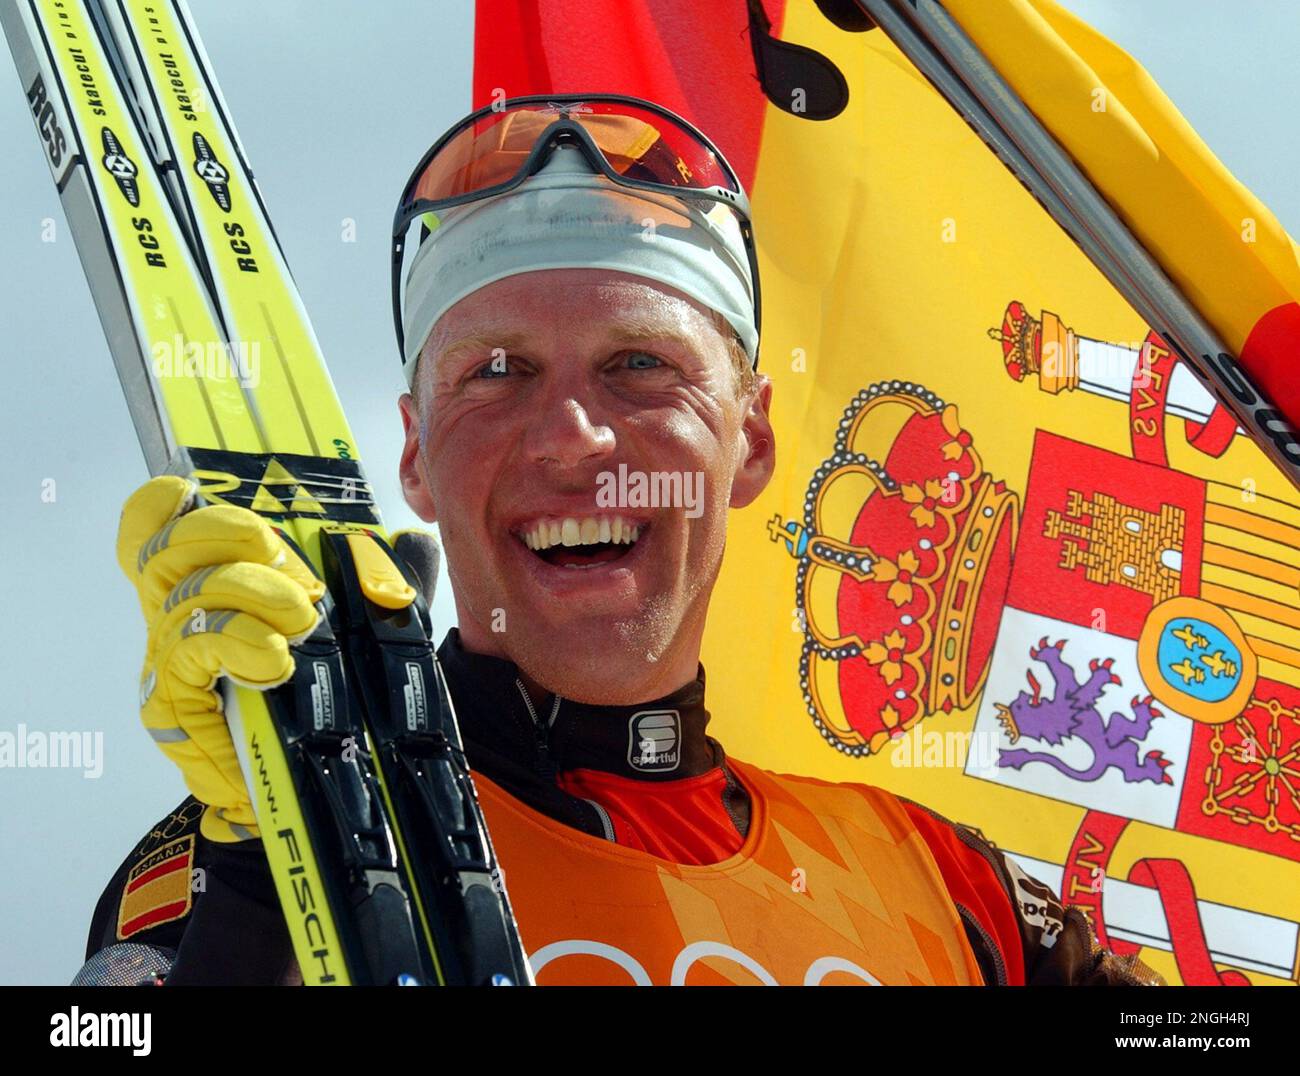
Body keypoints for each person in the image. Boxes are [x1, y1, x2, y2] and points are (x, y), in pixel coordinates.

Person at [79, 95, 1161, 986]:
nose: (571, 436)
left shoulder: (940, 881)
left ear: (749, 437)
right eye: (496, 372)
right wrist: (255, 890)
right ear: (415, 453)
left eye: (639, 366)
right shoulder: (278, 841)